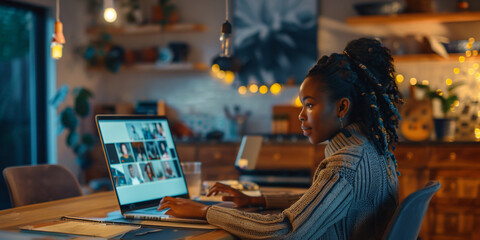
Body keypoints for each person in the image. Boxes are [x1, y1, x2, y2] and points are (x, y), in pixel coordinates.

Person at [158, 38, 402, 239]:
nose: (300, 115)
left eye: (309, 105)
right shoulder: (371, 149)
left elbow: (287, 231)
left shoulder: (344, 167)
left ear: (341, 107)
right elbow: (317, 203)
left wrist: (204, 211)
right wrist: (259, 200)